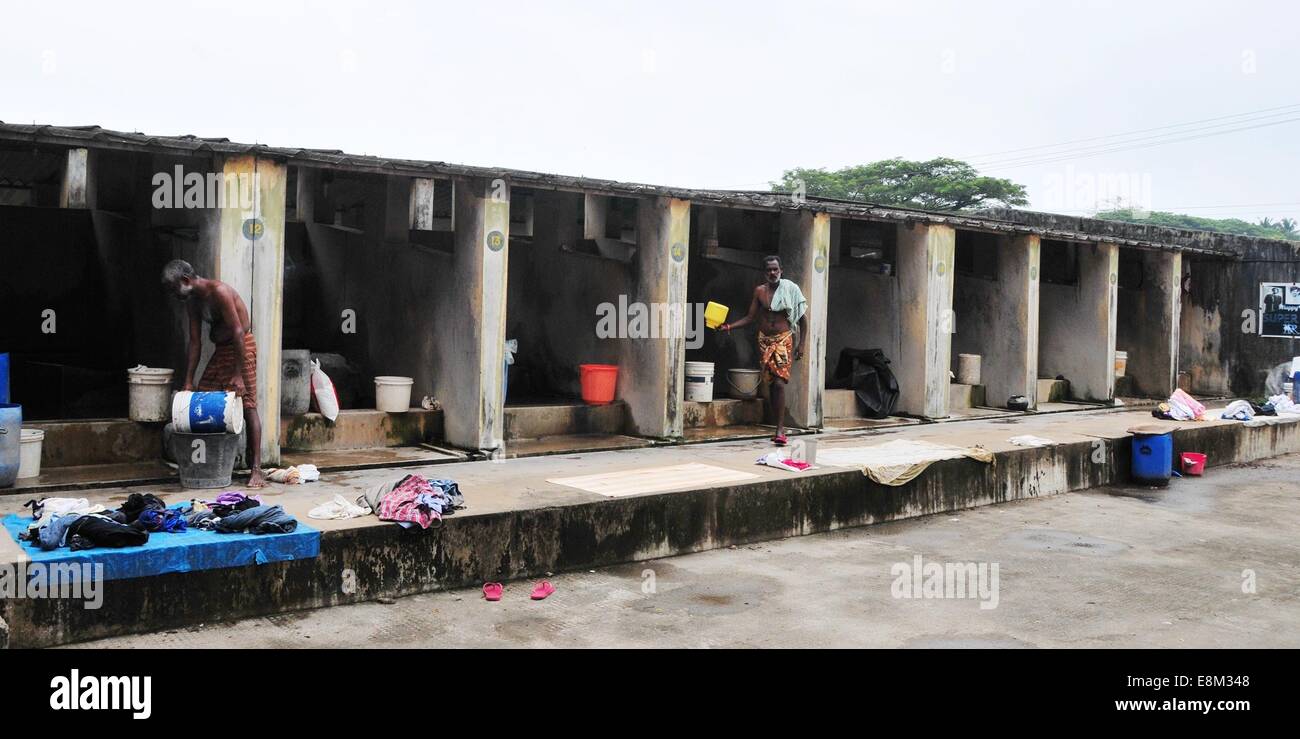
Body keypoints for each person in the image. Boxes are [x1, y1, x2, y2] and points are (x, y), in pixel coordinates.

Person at [161, 259, 265, 488]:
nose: (172, 293)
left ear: (186, 281)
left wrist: (238, 375)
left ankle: (256, 468)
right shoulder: (192, 302)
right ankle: (210, 465)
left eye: (173, 288)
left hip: (241, 347)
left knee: (248, 404)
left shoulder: (219, 291)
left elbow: (238, 333)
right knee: (204, 397)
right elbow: (196, 343)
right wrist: (189, 380)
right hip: (222, 351)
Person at [720, 255, 808, 446]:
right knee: (770, 385)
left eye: (775, 269)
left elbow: (803, 319)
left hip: (783, 339)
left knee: (779, 383)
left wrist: (801, 344)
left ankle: (780, 430)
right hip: (764, 341)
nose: (773, 273)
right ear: (764, 273)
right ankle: (777, 424)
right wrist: (729, 327)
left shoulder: (790, 289)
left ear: (781, 270)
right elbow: (750, 318)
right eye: (769, 270)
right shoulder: (760, 292)